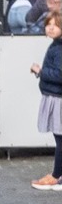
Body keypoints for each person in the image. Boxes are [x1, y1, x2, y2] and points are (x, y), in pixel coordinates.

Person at [32, 13, 62, 189]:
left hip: (58, 98)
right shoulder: (56, 45)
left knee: (60, 138)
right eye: (48, 24)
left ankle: (57, 176)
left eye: (55, 25)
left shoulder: (58, 49)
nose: (50, 28)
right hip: (56, 96)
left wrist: (41, 71)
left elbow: (59, 75)